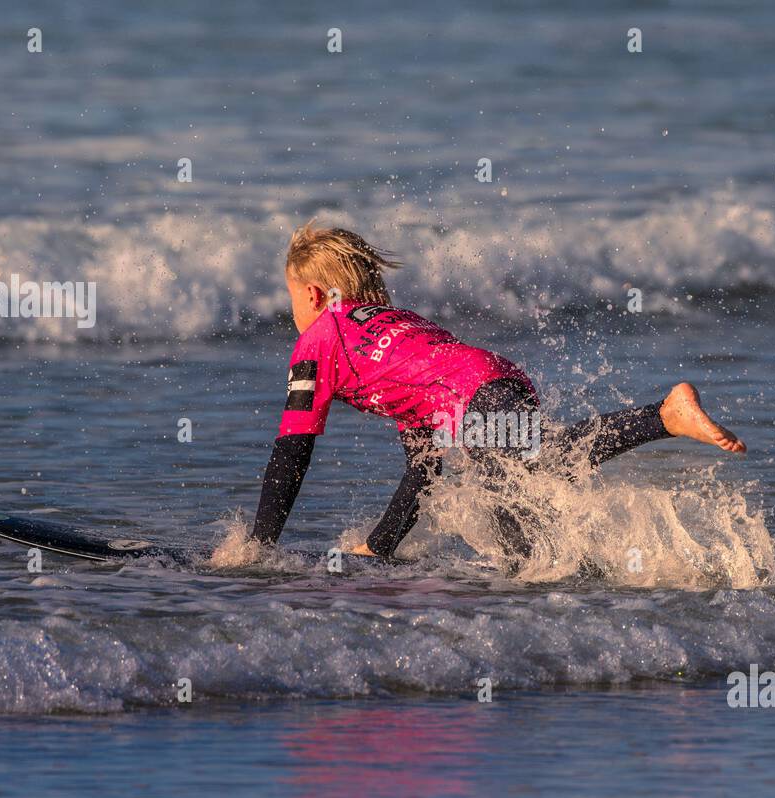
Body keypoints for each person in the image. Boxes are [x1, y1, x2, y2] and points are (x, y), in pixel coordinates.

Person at [252, 221, 746, 562]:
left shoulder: (318, 340)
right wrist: (380, 545)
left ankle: (665, 415)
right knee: (513, 510)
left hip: (477, 399)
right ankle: (578, 577)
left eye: (290, 296)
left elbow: (291, 455)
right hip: (498, 381)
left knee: (541, 462)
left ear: (313, 295)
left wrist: (258, 548)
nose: (292, 309)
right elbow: (424, 468)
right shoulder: (395, 331)